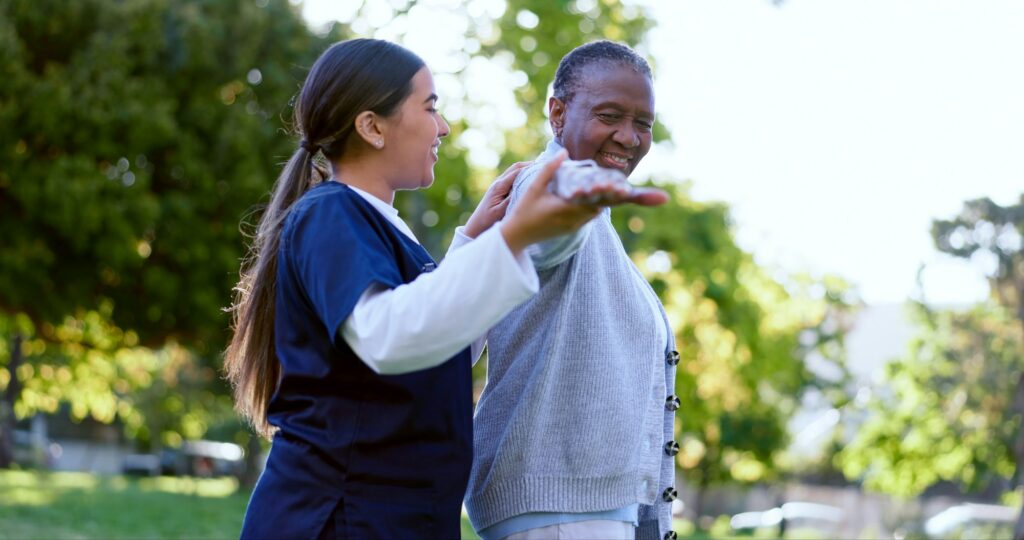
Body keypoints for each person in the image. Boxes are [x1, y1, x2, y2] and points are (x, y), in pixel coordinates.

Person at [222, 38, 650, 539]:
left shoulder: (383, 228)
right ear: (372, 126)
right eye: (430, 108)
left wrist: (473, 241)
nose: (442, 127)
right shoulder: (329, 213)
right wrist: (512, 238)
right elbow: (389, 337)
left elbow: (439, 351)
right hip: (335, 520)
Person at [465, 40, 680, 540]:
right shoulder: (547, 185)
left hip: (584, 512)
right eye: (610, 115)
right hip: (558, 514)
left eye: (643, 123)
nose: (629, 137)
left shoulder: (595, 218)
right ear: (557, 113)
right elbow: (546, 242)